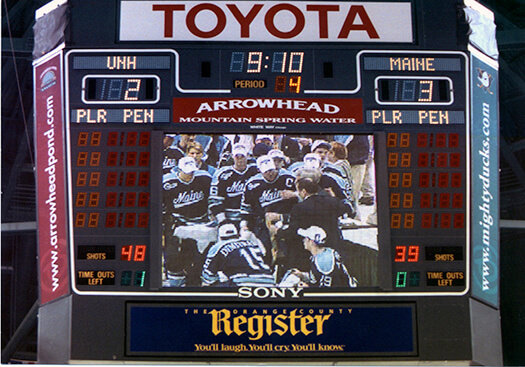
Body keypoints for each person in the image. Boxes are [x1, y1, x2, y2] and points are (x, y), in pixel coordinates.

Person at [275, 176, 350, 273]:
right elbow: (348, 209)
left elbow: (293, 232)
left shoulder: (299, 208)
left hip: (306, 254)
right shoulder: (332, 202)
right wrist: (333, 196)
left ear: (304, 191)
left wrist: (279, 232)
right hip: (332, 246)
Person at [162, 156, 212, 286]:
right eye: (187, 172)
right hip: (179, 223)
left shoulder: (205, 178)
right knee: (175, 254)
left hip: (201, 223)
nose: (190, 175)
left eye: (192, 171)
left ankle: (195, 281)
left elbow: (212, 199)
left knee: (199, 257)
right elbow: (161, 208)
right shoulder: (167, 183)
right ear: (179, 169)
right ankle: (176, 281)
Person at [240, 155, 297, 259]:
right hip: (263, 223)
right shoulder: (252, 184)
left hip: (286, 220)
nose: (270, 174)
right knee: (265, 253)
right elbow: (246, 208)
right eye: (266, 171)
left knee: (287, 251)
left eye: (272, 170)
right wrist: (244, 225)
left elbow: (306, 196)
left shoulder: (289, 178)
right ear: (259, 170)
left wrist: (294, 194)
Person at [201, 224, 275, 287]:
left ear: (220, 237)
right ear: (237, 235)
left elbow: (208, 278)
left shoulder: (218, 246)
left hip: (242, 284)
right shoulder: (252, 244)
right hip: (269, 281)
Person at [209, 143, 258, 226]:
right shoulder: (222, 173)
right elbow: (214, 200)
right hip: (228, 218)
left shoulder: (255, 170)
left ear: (248, 156)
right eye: (237, 156)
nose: (240, 159)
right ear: (232, 156)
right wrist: (222, 220)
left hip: (252, 216)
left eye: (242, 156)